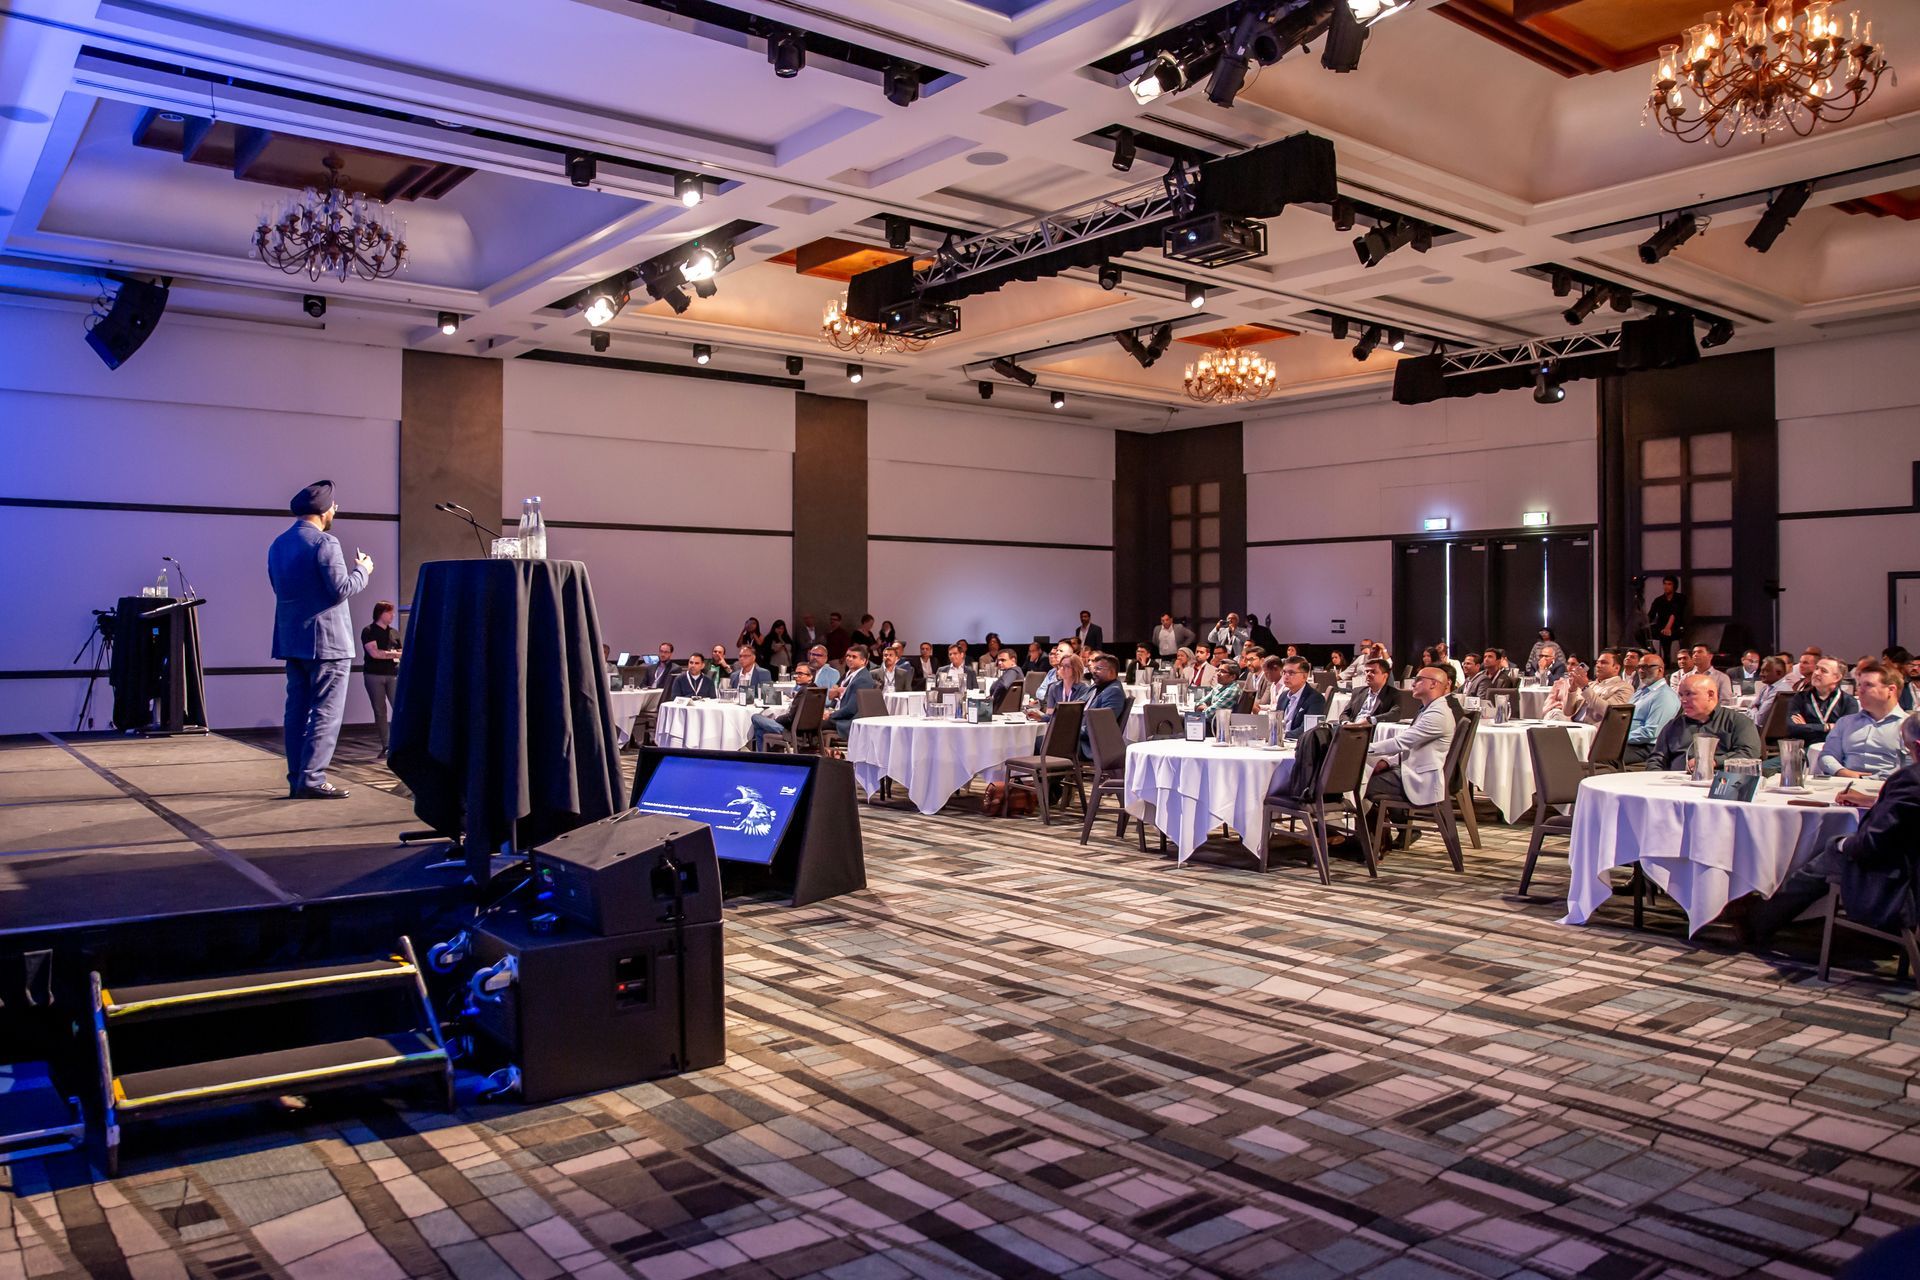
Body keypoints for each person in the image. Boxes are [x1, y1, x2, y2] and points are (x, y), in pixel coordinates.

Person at [1744, 714, 1920, 947]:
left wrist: (1840, 844)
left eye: (1907, 749)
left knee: (1829, 851)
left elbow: (1872, 843)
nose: (1908, 754)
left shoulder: (1910, 779)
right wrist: (1875, 801)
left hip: (1897, 870)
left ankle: (1754, 924)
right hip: (1906, 858)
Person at [268, 480, 371, 800]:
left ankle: (298, 778)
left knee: (296, 712)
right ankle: (313, 778)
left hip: (292, 640)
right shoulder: (326, 542)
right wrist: (363, 571)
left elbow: (279, 588)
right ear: (325, 510)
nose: (335, 510)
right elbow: (340, 589)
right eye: (334, 506)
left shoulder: (278, 544)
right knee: (326, 712)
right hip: (328, 643)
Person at [1364, 666, 1460, 850]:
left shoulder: (1438, 714)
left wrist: (1363, 749)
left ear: (1434, 684)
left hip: (1421, 777)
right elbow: (1410, 746)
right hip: (1413, 768)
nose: (1413, 684)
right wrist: (1387, 760)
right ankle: (1373, 840)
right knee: (1368, 773)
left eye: (1418, 679)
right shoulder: (1429, 709)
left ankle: (1367, 844)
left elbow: (1402, 743)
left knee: (1360, 783)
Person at [1649, 672, 1763, 771]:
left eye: (1689, 694)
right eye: (1681, 695)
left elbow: (1749, 753)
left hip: (1719, 781)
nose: (1683, 700)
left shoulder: (1737, 722)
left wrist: (1713, 761)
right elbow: (1657, 759)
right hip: (1673, 782)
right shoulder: (1674, 725)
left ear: (1710, 695)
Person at [1817, 662, 1909, 778]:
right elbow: (1828, 755)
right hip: (1847, 783)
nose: (1860, 690)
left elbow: (1914, 768)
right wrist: (1842, 772)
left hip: (1889, 785)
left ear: (1891, 690)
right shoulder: (1845, 723)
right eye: (1859, 685)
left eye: (1868, 685)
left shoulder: (1909, 726)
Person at [360, 600, 402, 758]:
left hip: (393, 674)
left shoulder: (394, 633)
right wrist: (394, 654)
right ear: (380, 613)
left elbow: (401, 652)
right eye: (389, 612)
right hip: (374, 675)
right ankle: (386, 745)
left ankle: (401, 743)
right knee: (380, 711)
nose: (392, 615)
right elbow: (375, 653)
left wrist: (391, 654)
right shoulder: (369, 631)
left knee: (399, 707)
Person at [1624, 653, 1680, 766]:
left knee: (1603, 756)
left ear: (1660, 670)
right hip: (1630, 741)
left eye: (1646, 667)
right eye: (1639, 667)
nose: (1641, 670)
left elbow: (1651, 732)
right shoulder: (1641, 692)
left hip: (1647, 747)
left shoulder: (1665, 696)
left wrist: (1621, 738)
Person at [1788, 657, 1856, 745]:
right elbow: (1792, 728)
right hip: (1806, 749)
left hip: (1836, 749)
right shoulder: (1800, 698)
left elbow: (1845, 731)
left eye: (1823, 671)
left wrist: (1806, 727)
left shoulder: (1849, 702)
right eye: (1816, 668)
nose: (1816, 673)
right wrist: (1827, 727)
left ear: (1837, 677)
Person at [751, 662, 813, 751]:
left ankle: (764, 755)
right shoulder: (814, 689)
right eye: (796, 673)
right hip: (806, 732)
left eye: (800, 673)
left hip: (791, 731)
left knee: (756, 717)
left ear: (810, 676)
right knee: (760, 730)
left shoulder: (803, 692)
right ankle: (767, 754)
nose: (796, 676)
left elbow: (790, 717)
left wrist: (776, 720)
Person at [1079, 653, 1128, 758]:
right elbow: (1075, 706)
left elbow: (1101, 726)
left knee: (1045, 741)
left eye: (1098, 669)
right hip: (1078, 738)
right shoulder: (1095, 687)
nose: (1094, 671)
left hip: (1089, 745)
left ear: (1112, 672)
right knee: (1046, 736)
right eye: (1094, 668)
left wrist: (1073, 730)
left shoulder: (1114, 692)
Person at [1268, 656, 1327, 738]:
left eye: (1291, 673)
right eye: (1284, 672)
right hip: (1280, 741)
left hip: (1298, 742)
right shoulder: (1283, 696)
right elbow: (1277, 723)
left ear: (1304, 676)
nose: (1286, 676)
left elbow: (1308, 729)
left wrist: (1281, 735)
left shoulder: (1315, 699)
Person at [825, 645, 874, 736]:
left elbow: (851, 709)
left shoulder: (862, 679)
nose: (849, 659)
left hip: (846, 721)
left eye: (854, 657)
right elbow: (834, 697)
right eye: (848, 656)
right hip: (838, 713)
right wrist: (828, 710)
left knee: (812, 722)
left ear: (863, 661)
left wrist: (831, 715)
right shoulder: (848, 674)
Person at [1343, 658, 1404, 724]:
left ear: (1385, 676)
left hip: (1371, 728)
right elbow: (1345, 713)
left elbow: (1395, 714)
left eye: (1373, 672)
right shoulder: (1358, 691)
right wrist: (1346, 722)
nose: (1368, 674)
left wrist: (1370, 720)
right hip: (1351, 726)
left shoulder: (1393, 694)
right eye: (1367, 671)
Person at [1667, 644, 1732, 703]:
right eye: (1694, 653)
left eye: (1699, 652)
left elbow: (1726, 702)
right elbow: (1678, 699)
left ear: (1710, 656)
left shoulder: (1722, 678)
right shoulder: (1686, 677)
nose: (1695, 655)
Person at [1647, 575, 1684, 664]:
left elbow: (1675, 613)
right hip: (1660, 626)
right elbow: (1651, 616)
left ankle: (1666, 660)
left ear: (1674, 586)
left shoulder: (1680, 598)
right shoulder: (1659, 600)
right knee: (1640, 633)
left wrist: (1668, 627)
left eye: (1669, 584)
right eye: (1665, 584)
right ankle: (1651, 651)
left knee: (1665, 635)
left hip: (1676, 627)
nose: (1666, 586)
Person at [1747, 655, 1790, 727]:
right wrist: (1754, 708)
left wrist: (1753, 708)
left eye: (1765, 671)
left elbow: (1759, 720)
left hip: (1766, 732)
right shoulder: (1767, 687)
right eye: (1761, 671)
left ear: (1779, 673)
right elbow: (1752, 706)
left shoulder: (1781, 691)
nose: (1761, 674)